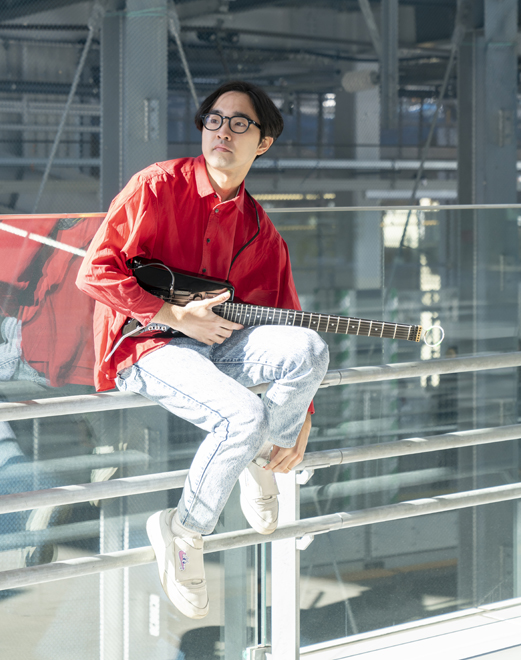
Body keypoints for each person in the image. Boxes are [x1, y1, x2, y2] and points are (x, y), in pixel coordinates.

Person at [76, 81, 329, 619]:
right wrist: (171, 315)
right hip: (144, 342)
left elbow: (284, 317)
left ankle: (263, 453)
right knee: (242, 415)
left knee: (308, 347)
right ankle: (184, 530)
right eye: (215, 119)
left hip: (216, 344)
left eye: (240, 123)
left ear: (263, 143)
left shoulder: (259, 228)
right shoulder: (156, 186)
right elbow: (93, 273)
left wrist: (301, 414)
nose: (223, 132)